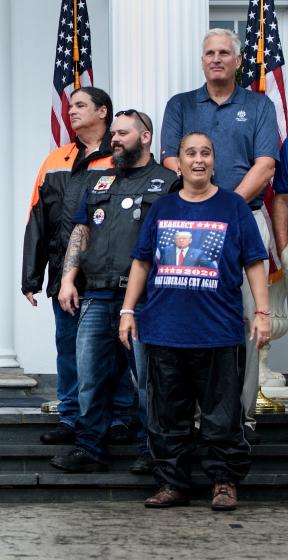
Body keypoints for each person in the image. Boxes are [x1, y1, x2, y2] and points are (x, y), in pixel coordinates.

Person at [119, 132, 270, 511]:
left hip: (218, 333)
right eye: (191, 153)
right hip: (164, 330)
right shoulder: (163, 207)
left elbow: (254, 262)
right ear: (180, 162)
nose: (198, 160)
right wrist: (126, 311)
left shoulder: (234, 206)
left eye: (205, 153)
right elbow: (141, 262)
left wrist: (263, 313)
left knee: (222, 417)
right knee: (167, 415)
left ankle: (223, 482)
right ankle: (173, 483)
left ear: (213, 162)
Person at [160, 28, 280, 435]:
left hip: (246, 218)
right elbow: (169, 160)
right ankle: (196, 420)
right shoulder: (180, 105)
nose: (216, 59)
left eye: (224, 53)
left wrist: (225, 209)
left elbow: (266, 165)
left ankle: (241, 418)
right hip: (189, 227)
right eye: (209, 53)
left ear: (237, 60)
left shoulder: (259, 105)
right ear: (202, 60)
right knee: (193, 322)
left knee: (247, 323)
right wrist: (207, 205)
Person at [51, 109, 179, 475]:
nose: (115, 139)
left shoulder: (168, 182)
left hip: (143, 301)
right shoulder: (99, 182)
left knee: (148, 383)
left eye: (123, 133)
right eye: (115, 134)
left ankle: (151, 450)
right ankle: (90, 447)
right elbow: (80, 230)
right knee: (89, 376)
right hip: (96, 295)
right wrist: (67, 279)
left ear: (146, 137)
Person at [22, 87, 137, 445]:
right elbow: (37, 218)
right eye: (70, 106)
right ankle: (70, 417)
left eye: (80, 105)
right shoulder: (55, 159)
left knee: (116, 350)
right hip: (63, 275)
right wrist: (31, 275)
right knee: (69, 348)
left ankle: (120, 416)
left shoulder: (120, 157)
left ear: (103, 112)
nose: (71, 111)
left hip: (107, 276)